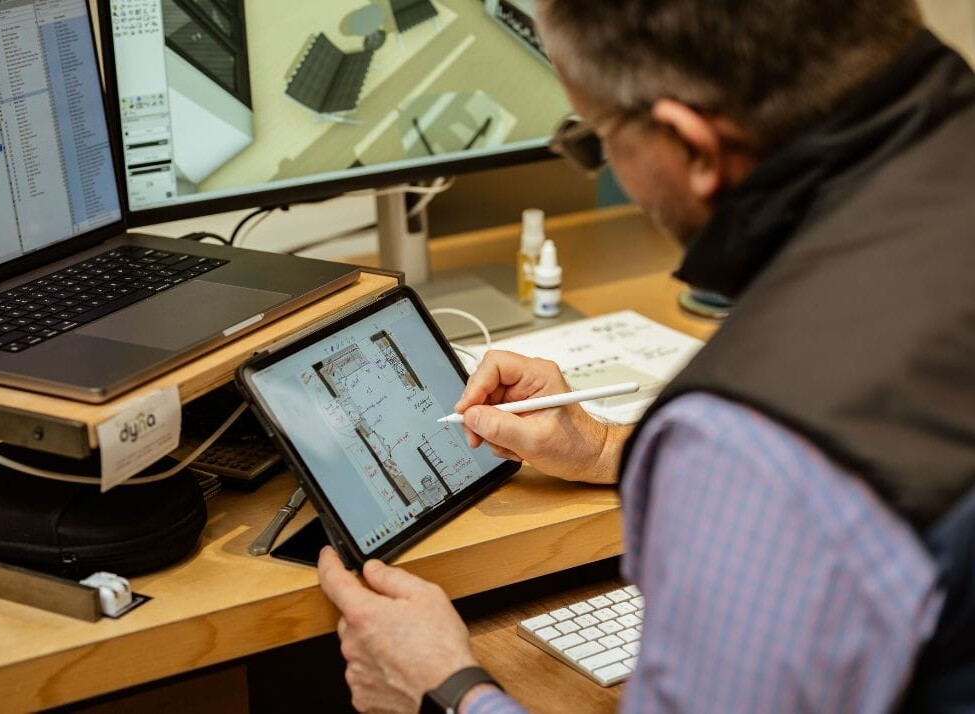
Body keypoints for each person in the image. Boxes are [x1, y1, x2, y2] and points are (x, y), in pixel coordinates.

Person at [318, 0, 975, 711]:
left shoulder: (758, 440)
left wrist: (443, 691)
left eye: (594, 138)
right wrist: (606, 449)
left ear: (690, 146)